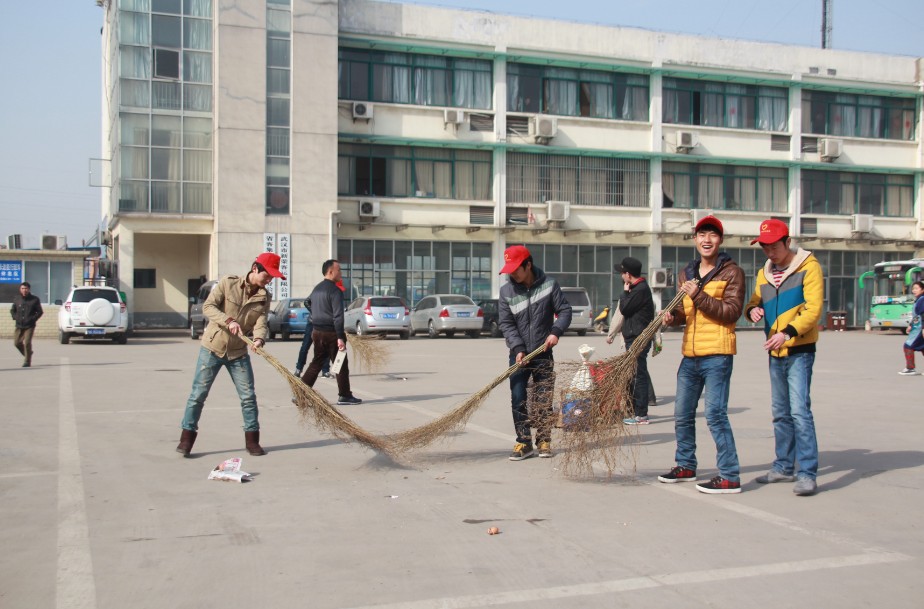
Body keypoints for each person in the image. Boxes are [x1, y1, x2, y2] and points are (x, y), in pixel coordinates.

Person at [659, 215, 745, 494]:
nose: (707, 240)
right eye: (702, 235)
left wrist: (698, 295)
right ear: (695, 239)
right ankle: (685, 465)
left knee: (715, 415)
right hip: (690, 354)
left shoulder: (732, 273)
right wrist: (672, 317)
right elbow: (685, 312)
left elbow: (731, 312)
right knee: (682, 414)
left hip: (718, 354)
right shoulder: (687, 273)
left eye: (713, 235)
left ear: (720, 240)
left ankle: (729, 475)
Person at [175, 252, 283, 458]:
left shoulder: (264, 297)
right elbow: (208, 307)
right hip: (212, 348)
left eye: (272, 277)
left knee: (248, 397)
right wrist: (228, 321)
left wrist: (259, 339)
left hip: (238, 353)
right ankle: (186, 438)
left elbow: (261, 323)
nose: (269, 280)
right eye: (267, 275)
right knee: (198, 395)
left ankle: (252, 441)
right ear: (255, 269)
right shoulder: (228, 283)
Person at [746, 218, 824, 497]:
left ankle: (807, 473)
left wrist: (788, 333)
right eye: (765, 247)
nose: (770, 252)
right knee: (780, 413)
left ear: (788, 242)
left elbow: (813, 310)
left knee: (799, 412)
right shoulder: (764, 273)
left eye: (774, 247)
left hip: (799, 350)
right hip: (774, 351)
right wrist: (752, 311)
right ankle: (782, 466)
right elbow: (755, 301)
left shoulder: (809, 268)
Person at [498, 245, 572, 460]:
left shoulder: (549, 285)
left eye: (515, 269)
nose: (512, 274)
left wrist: (555, 332)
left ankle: (543, 439)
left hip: (543, 351)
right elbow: (506, 324)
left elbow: (564, 311)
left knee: (543, 398)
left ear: (528, 265)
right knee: (518, 397)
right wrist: (518, 348)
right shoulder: (506, 292)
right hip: (518, 355)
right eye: (509, 270)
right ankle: (523, 442)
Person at [300, 260, 362, 405]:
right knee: (340, 364)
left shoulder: (317, 289)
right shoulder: (335, 291)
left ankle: (300, 393)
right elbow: (338, 316)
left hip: (317, 332)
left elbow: (307, 302)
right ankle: (345, 395)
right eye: (338, 270)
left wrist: (317, 314)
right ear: (330, 271)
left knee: (316, 363)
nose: (341, 273)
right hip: (332, 333)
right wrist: (340, 337)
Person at [609, 257, 655, 425]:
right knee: (635, 374)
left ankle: (641, 415)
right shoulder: (637, 289)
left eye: (622, 273)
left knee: (638, 375)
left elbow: (625, 308)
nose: (621, 276)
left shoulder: (640, 290)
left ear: (628, 275)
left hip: (638, 338)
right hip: (633, 337)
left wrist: (624, 292)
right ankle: (636, 411)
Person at [293, 297, 330, 379]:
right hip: (312, 322)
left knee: (324, 347)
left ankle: (325, 370)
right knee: (305, 346)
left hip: (325, 323)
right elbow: (306, 301)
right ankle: (299, 369)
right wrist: (315, 311)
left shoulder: (333, 294)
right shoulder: (318, 291)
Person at [11, 282, 43, 368]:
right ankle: (28, 353)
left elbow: (40, 312)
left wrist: (33, 319)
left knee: (27, 342)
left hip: (29, 325)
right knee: (16, 343)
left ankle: (27, 361)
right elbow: (13, 310)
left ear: (29, 289)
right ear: (20, 289)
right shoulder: (17, 299)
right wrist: (15, 317)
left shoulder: (34, 299)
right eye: (22, 288)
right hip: (19, 325)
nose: (24, 290)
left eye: (26, 289)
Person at [899, 281, 924, 375]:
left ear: (922, 289)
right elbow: (916, 316)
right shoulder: (919, 299)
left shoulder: (922, 299)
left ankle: (910, 368)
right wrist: (910, 325)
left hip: (919, 328)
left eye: (917, 288)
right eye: (913, 288)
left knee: (908, 345)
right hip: (917, 327)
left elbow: (923, 314)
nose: (914, 290)